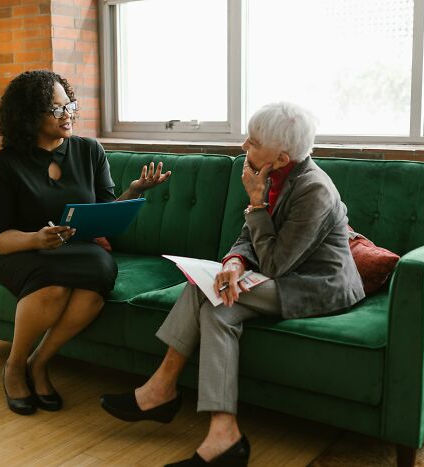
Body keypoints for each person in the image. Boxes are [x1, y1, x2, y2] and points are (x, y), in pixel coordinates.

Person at [100, 102, 364, 466]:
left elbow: (275, 263)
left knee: (215, 301)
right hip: (284, 274)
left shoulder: (314, 190)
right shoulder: (272, 173)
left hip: (316, 286)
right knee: (209, 297)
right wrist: (235, 263)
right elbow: (248, 239)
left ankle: (164, 393)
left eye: (253, 142)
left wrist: (256, 205)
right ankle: (219, 432)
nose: (243, 146)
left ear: (282, 156)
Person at [0, 70, 170, 416]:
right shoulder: (6, 164)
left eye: (69, 104)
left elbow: (105, 213)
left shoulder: (89, 151)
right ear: (29, 116)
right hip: (24, 252)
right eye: (56, 109)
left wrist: (134, 192)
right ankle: (14, 366)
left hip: (77, 250)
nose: (67, 113)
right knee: (53, 288)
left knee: (99, 272)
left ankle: (39, 362)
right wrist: (36, 238)